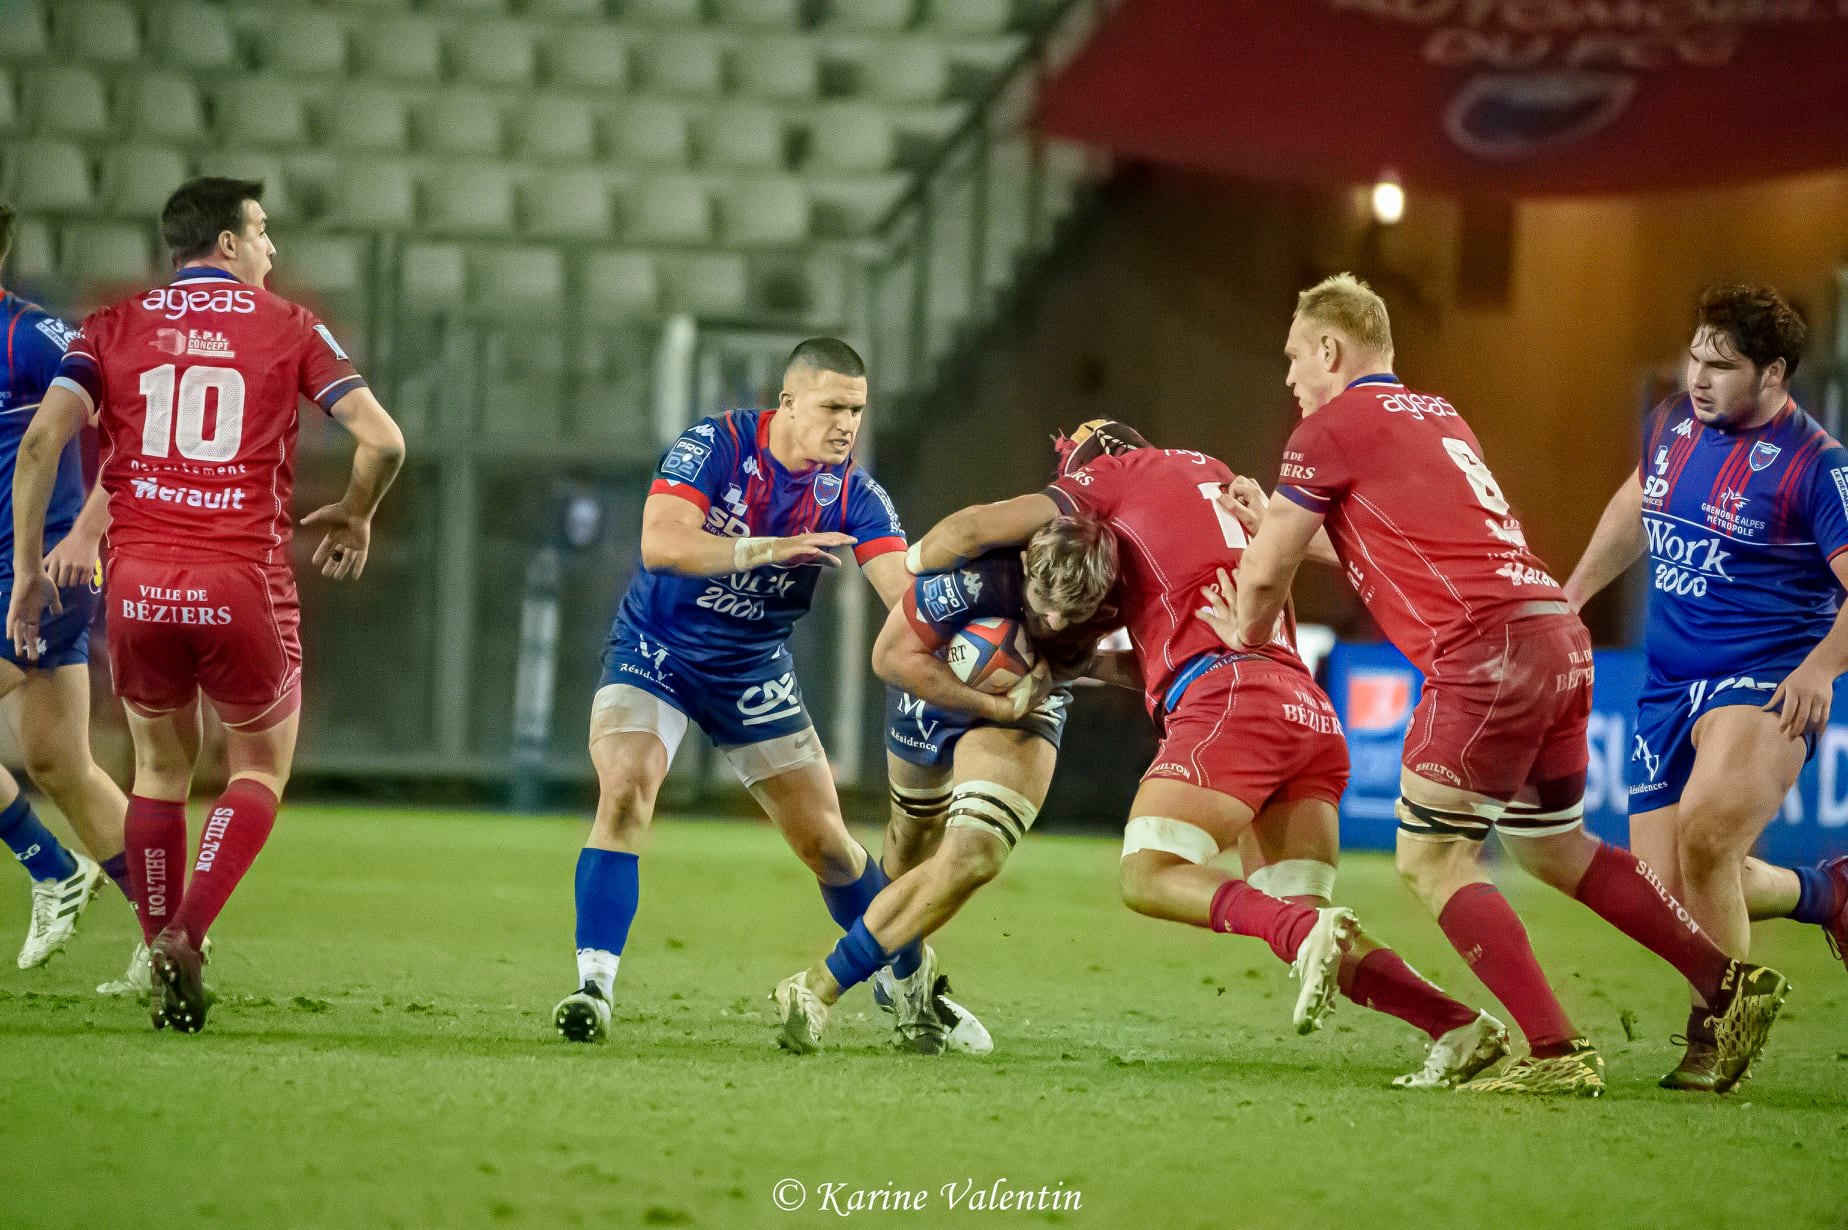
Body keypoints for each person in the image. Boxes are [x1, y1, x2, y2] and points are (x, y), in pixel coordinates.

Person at [1225, 272, 1787, 1095]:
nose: (1289, 377)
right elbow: (1389, 542)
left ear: (1330, 350)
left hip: (1485, 654)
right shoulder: (1438, 415)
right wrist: (1272, 525)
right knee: (1553, 846)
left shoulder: (1328, 428)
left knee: (1430, 858)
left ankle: (1557, 1052)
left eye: (1294, 356)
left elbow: (1263, 576)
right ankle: (1726, 985)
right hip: (1552, 634)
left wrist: (1245, 641)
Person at [891, 421, 1508, 1087]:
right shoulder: (1217, 484)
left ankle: (1302, 935)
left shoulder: (1114, 482)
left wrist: (912, 571)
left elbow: (972, 529)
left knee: (1150, 873)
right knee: (1301, 913)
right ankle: (1458, 1025)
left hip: (1233, 700)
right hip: (1307, 710)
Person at [8, 177, 406, 1033]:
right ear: (227, 243)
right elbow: (383, 440)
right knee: (257, 766)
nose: (271, 249)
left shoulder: (112, 325)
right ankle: (187, 933)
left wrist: (31, 569)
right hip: (239, 578)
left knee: (157, 770)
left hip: (137, 583)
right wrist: (356, 512)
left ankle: (158, 953)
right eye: (262, 232)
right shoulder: (290, 325)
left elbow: (42, 443)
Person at [552, 339, 993, 1048]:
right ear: (787, 403)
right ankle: (593, 989)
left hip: (752, 670)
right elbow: (661, 545)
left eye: (857, 410)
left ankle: (910, 980)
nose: (847, 425)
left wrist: (985, 634)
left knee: (829, 848)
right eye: (832, 407)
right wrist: (764, 548)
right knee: (627, 789)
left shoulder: (856, 495)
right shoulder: (716, 445)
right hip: (656, 651)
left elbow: (904, 599)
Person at [1564, 284, 1848, 1088]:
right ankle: (1826, 894)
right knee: (1667, 893)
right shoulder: (1673, 424)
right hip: (1666, 683)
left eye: (1721, 366)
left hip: (1765, 680)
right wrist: (1573, 593)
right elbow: (1638, 504)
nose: (1697, 377)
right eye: (1695, 357)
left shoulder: (1817, 465)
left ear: (1774, 373)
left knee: (1708, 837)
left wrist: (1822, 665)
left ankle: (1714, 1037)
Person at [772, 516, 1118, 1054]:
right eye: (1044, 603)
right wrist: (993, 704)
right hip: (931, 686)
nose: (1054, 621)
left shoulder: (1125, 587)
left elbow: (1143, 659)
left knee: (975, 853)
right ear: (1025, 566)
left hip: (1028, 704)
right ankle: (909, 984)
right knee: (911, 843)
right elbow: (889, 657)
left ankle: (819, 985)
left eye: (1073, 612)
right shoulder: (977, 579)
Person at [0, 196, 136, 973]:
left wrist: (86, 530)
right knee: (59, 763)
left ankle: (53, 870)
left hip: (38, 574)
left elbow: (136, 423)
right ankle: (174, 937)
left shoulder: (33, 335)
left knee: (63, 762)